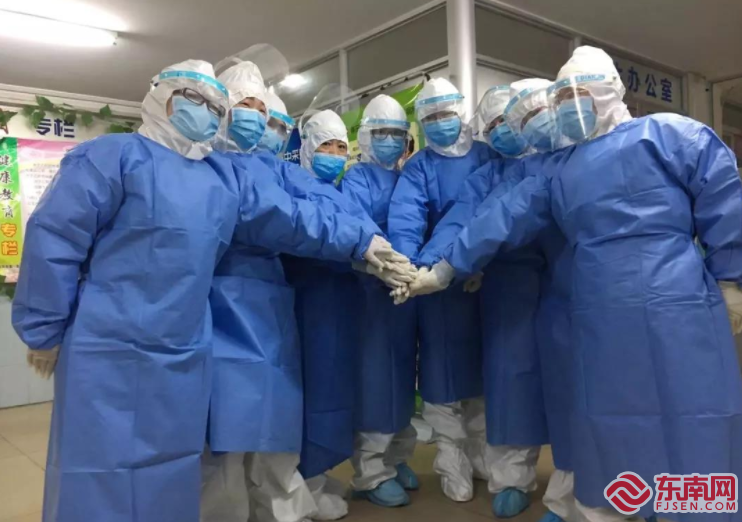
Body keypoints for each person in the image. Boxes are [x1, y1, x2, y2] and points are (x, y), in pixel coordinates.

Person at [404, 45, 742, 522]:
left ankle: (693, 510)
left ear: (610, 91)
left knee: (694, 410)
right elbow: (500, 217)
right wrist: (444, 268)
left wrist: (731, 278)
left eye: (580, 94)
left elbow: (724, 196)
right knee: (610, 418)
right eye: (562, 98)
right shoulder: (557, 168)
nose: (569, 106)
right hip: (601, 306)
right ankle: (618, 507)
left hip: (678, 302)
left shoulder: (670, 135)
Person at [14, 59, 241, 522]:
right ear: (160, 95)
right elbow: (55, 237)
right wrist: (44, 329)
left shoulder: (219, 181)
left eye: (216, 107)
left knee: (172, 463)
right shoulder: (112, 156)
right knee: (96, 463)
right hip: (106, 350)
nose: (204, 111)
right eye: (192, 98)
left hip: (183, 348)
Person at [201, 62, 409, 522]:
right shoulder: (208, 164)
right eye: (245, 106)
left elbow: (321, 201)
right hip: (217, 302)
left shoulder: (266, 166)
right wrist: (360, 245)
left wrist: (371, 242)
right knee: (224, 433)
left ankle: (281, 506)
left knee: (271, 419)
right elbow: (280, 216)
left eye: (263, 110)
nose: (256, 119)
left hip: (265, 303)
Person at [414, 82, 578, 522]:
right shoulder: (487, 177)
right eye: (493, 125)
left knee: (576, 385)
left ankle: (577, 489)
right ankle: (511, 479)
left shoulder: (566, 159)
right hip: (508, 286)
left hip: (568, 280)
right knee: (510, 383)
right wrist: (433, 265)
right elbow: (463, 222)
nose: (505, 129)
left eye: (512, 119)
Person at [282, 107, 416, 520]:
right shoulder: (298, 184)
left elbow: (363, 231)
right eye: (326, 146)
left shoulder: (335, 190)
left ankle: (319, 479)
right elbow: (321, 235)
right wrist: (366, 259)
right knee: (321, 395)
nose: (336, 155)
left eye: (342, 147)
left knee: (337, 392)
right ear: (307, 147)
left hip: (343, 302)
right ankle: (318, 483)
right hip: (315, 303)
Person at [387, 77, 498, 503]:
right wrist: (411, 271)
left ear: (461, 112)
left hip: (482, 283)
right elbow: (406, 218)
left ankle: (482, 453)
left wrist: (479, 262)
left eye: (446, 114)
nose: (440, 122)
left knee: (482, 372)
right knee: (442, 372)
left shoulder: (487, 157)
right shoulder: (420, 167)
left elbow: (493, 215)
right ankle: (451, 458)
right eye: (431, 117)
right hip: (435, 287)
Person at [340, 94, 420, 508]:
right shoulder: (357, 179)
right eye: (381, 133)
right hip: (371, 294)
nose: (390, 141)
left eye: (397, 133)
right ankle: (371, 471)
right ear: (366, 136)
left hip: (407, 295)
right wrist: (382, 265)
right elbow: (357, 227)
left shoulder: (409, 176)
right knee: (375, 381)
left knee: (403, 379)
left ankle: (396, 457)